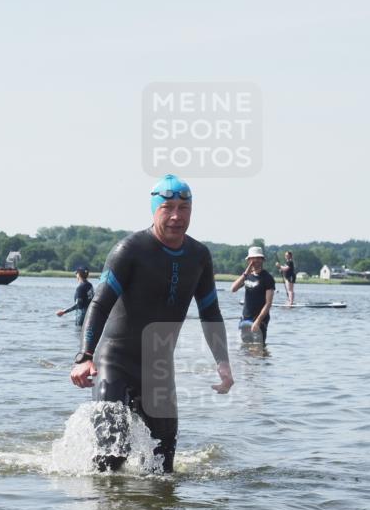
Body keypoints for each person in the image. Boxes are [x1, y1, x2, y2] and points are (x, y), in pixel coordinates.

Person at [70, 174, 233, 473]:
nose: (176, 216)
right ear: (154, 209)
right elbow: (100, 303)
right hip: (115, 363)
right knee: (111, 458)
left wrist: (223, 363)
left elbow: (210, 312)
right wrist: (84, 357)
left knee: (161, 467)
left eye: (184, 208)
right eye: (168, 207)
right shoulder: (130, 250)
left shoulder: (199, 256)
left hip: (158, 369)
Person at [232, 246, 276, 343]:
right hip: (245, 318)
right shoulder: (247, 276)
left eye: (258, 258)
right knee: (245, 351)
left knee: (258, 351)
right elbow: (233, 288)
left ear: (262, 260)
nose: (255, 260)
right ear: (249, 260)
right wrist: (246, 273)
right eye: (252, 258)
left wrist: (258, 321)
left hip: (260, 320)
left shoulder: (267, 278)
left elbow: (268, 303)